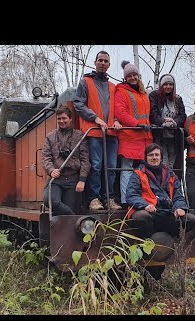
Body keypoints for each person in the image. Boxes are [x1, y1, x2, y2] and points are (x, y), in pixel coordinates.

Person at [74, 50, 122, 211]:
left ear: (109, 65)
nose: (102, 63)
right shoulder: (85, 82)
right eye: (100, 60)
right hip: (94, 132)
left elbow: (118, 108)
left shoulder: (113, 87)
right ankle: (94, 199)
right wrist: (95, 118)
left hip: (111, 134)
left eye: (105, 61)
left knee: (112, 167)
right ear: (95, 63)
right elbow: (78, 104)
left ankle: (109, 198)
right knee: (96, 165)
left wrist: (116, 120)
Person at [126, 143, 195, 242]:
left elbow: (178, 196)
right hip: (150, 212)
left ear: (161, 157)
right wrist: (145, 205)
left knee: (191, 220)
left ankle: (172, 239)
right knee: (141, 217)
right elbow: (131, 195)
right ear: (146, 158)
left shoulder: (171, 174)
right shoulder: (137, 174)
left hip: (168, 212)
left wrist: (180, 208)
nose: (154, 157)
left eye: (156, 155)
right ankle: (148, 240)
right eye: (151, 155)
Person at [114, 60, 153, 206]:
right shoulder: (121, 91)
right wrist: (137, 124)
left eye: (134, 74)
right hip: (130, 135)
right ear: (125, 77)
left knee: (142, 171)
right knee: (126, 169)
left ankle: (142, 200)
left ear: (138, 76)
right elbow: (121, 113)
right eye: (129, 75)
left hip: (144, 137)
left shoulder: (143, 93)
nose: (132, 77)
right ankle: (126, 200)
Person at [42, 106, 90, 216]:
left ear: (70, 119)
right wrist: (51, 170)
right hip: (56, 179)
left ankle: (66, 222)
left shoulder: (79, 136)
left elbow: (85, 159)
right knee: (50, 201)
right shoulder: (50, 137)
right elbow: (46, 157)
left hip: (73, 180)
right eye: (59, 119)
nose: (61, 121)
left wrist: (82, 180)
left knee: (66, 212)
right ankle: (73, 216)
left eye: (64, 118)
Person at [148, 73, 186, 169]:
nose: (168, 87)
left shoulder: (177, 99)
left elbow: (182, 116)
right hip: (160, 135)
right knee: (163, 163)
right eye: (165, 84)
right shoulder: (154, 96)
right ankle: (165, 182)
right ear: (161, 85)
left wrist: (174, 122)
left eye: (170, 84)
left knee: (171, 164)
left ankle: (169, 183)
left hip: (174, 137)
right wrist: (162, 122)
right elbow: (153, 114)